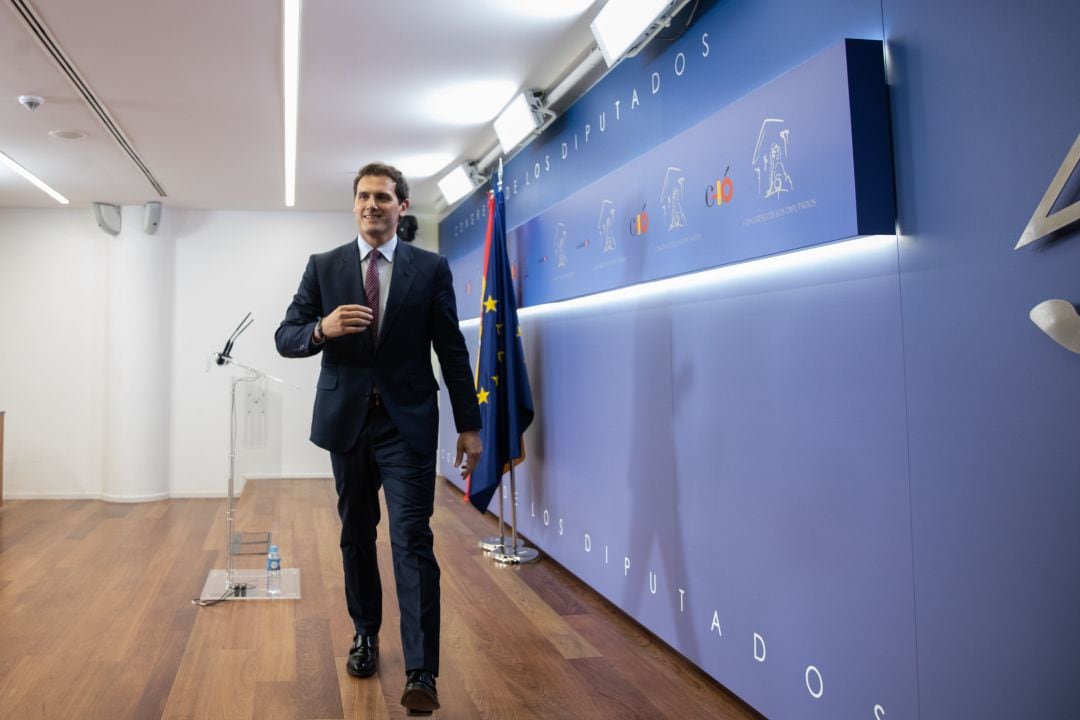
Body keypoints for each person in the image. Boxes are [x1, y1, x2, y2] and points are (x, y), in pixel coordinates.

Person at [275, 162, 482, 716]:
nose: (373, 205)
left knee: (411, 539)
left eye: (384, 197)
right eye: (364, 196)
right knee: (356, 534)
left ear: (401, 207)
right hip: (348, 425)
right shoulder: (323, 267)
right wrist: (322, 329)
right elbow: (285, 337)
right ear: (354, 205)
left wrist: (470, 425)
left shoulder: (430, 268)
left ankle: (421, 670)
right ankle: (365, 633)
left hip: (406, 425)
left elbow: (452, 351)